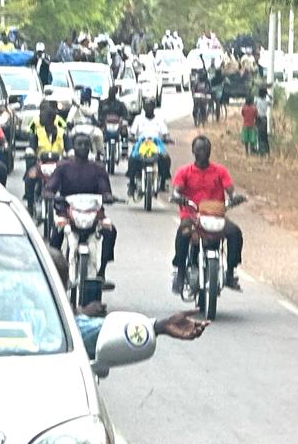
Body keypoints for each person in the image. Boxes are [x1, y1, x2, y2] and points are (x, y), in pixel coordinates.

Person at [47, 249, 208, 359]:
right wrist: (158, 326)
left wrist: (160, 326)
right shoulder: (54, 330)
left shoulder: (63, 327)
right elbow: (101, 331)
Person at [170, 135, 244, 293]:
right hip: (192, 217)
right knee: (183, 233)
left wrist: (234, 198)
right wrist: (179, 198)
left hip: (216, 216)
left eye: (206, 150)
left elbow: (230, 190)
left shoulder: (220, 171)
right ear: (193, 151)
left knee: (235, 233)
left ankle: (230, 271)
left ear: (210, 152)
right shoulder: (184, 172)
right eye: (199, 150)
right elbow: (176, 191)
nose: (202, 153)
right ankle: (181, 272)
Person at [43, 133, 117, 287]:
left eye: (85, 144)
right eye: (79, 144)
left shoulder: (98, 169)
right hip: (67, 211)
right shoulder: (63, 167)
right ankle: (54, 271)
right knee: (56, 233)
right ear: (73, 147)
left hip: (93, 213)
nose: (83, 147)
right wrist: (51, 194)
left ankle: (101, 272)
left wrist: (108, 196)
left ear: (90, 147)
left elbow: (105, 190)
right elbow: (50, 187)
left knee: (110, 231)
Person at [24, 101, 65, 216]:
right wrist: (30, 152)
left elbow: (67, 135)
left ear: (51, 118)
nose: (40, 117)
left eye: (43, 115)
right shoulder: (36, 130)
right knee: (29, 178)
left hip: (59, 165)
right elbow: (30, 136)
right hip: (40, 164)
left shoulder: (61, 129)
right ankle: (30, 205)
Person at [127, 99, 171, 194]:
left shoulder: (160, 119)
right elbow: (132, 133)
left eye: (150, 106)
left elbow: (165, 133)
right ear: (143, 107)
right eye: (146, 106)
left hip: (156, 143)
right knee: (132, 158)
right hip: (141, 143)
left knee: (166, 158)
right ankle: (131, 184)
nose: (148, 108)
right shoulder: (138, 119)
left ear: (154, 107)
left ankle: (163, 182)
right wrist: (131, 138)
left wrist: (167, 138)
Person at [67, 87, 105, 160]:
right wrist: (69, 122)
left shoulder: (94, 103)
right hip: (78, 127)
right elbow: (70, 116)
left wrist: (79, 106)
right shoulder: (76, 105)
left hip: (91, 127)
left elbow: (90, 112)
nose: (84, 99)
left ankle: (100, 153)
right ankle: (71, 153)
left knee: (99, 134)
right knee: (70, 135)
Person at [253, 85, 271, 155]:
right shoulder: (266, 101)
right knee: (264, 135)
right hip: (264, 119)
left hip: (258, 118)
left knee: (258, 134)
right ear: (265, 94)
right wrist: (268, 95)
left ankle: (259, 149)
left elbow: (253, 103)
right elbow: (272, 102)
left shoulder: (256, 99)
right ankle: (266, 150)